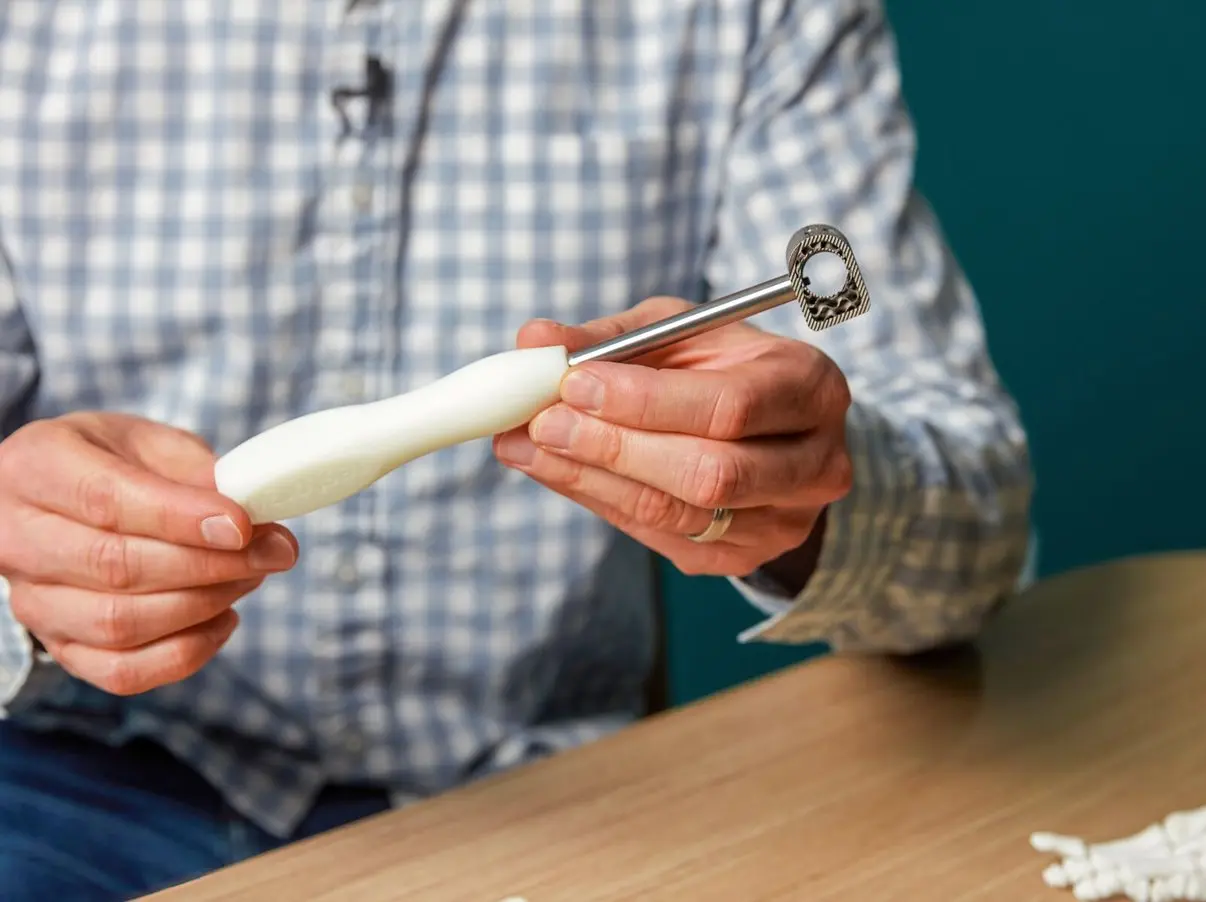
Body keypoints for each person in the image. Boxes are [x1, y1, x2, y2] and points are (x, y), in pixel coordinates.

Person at [0, 1, 1033, 897]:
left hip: (557, 805)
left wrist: (805, 489)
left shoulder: (748, 12)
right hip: (80, 789)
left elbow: (977, 535)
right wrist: (24, 570)